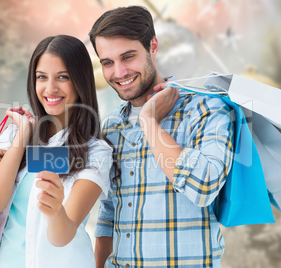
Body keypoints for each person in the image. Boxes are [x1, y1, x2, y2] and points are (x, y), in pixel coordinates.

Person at [89, 6, 235, 268]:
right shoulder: (111, 126)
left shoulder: (205, 109)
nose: (119, 72)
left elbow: (204, 187)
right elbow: (109, 212)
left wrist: (149, 121)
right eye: (107, 63)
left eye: (128, 57)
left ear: (153, 46)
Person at [0, 35, 114, 268]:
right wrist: (23, 134)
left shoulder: (96, 151)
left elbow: (63, 235)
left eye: (63, 77)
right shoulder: (12, 135)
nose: (50, 88)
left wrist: (56, 209)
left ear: (81, 81)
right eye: (42, 77)